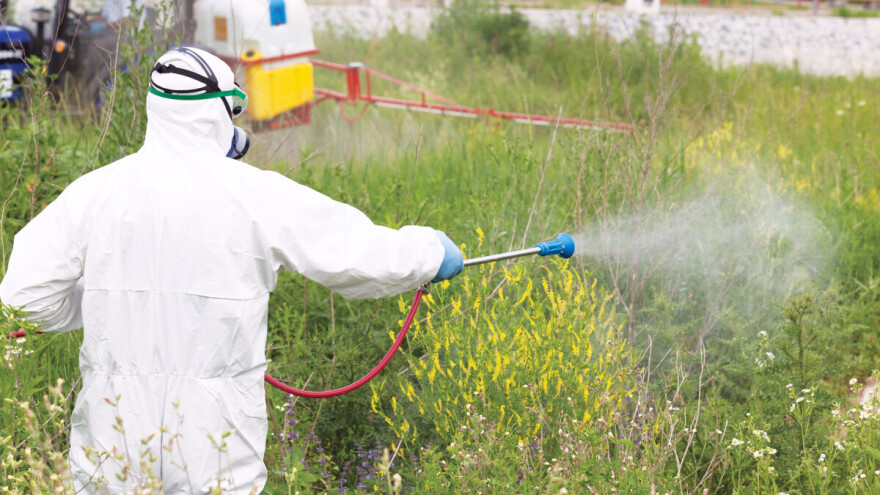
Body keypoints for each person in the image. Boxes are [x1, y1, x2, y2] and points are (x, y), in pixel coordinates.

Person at [0, 46, 463, 494]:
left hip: (113, 449)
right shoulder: (254, 194)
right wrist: (428, 253)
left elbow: (23, 300)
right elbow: (354, 253)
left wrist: (111, 296)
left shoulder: (94, 193)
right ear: (218, 110)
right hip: (215, 450)